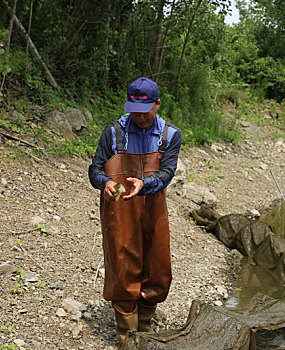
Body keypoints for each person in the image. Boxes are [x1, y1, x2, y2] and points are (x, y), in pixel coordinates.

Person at [88, 77, 182, 347]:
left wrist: (145, 184)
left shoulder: (171, 135)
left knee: (158, 267)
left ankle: (145, 325)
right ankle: (126, 336)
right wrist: (105, 182)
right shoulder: (113, 132)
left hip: (153, 204)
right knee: (123, 265)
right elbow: (94, 170)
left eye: (146, 111)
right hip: (120, 209)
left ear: (158, 104)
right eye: (134, 110)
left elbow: (167, 172)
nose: (140, 116)